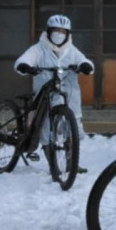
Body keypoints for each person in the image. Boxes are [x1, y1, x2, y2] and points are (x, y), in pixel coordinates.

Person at [14, 15, 95, 149]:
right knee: (45, 126)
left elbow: (83, 60)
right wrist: (25, 65)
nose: (59, 34)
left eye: (63, 31)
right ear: (49, 31)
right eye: (56, 30)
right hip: (46, 94)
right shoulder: (39, 49)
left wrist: (85, 66)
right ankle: (51, 160)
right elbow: (25, 59)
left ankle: (72, 163)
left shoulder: (71, 50)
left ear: (67, 34)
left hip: (69, 95)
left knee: (73, 128)